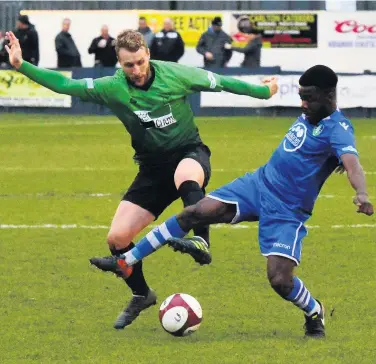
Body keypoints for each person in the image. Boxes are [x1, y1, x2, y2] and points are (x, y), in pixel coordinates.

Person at [5, 29, 278, 330]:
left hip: (189, 152)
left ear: (147, 54)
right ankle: (141, 294)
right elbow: (65, 84)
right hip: (151, 169)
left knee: (186, 175)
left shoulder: (176, 74)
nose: (135, 70)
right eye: (128, 65)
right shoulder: (112, 87)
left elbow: (223, 81)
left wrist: (263, 92)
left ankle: (201, 239)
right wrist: (21, 65)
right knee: (117, 238)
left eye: (139, 62)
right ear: (119, 64)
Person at [91, 65, 374, 338]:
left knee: (280, 280)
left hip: (287, 210)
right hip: (258, 184)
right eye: (300, 97)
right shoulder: (313, 114)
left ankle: (314, 311)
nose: (302, 104)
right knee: (194, 213)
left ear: (328, 96)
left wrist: (361, 193)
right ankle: (126, 260)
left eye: (308, 98)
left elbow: (353, 164)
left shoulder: (338, 129)